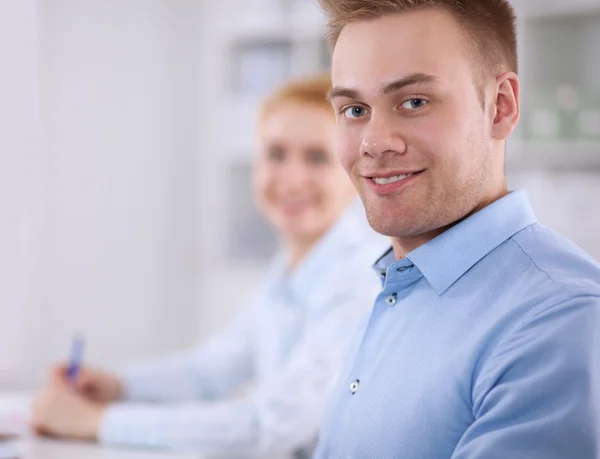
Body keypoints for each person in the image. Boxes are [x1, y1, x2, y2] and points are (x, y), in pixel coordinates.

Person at [31, 74, 387, 458]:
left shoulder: (361, 279)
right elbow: (213, 370)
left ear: (355, 169)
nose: (292, 179)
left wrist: (95, 423)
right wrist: (119, 387)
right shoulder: (292, 266)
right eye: (275, 154)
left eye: (317, 158)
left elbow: (268, 425)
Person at [311, 1, 600, 458]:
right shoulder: (399, 288)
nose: (374, 142)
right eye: (354, 109)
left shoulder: (559, 320)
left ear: (501, 107)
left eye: (414, 102)